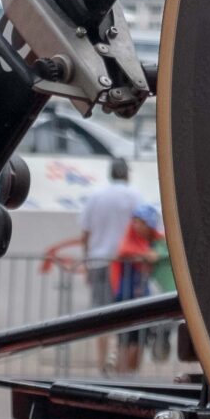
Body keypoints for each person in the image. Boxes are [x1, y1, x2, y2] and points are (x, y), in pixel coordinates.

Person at [80, 159, 144, 372]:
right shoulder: (135, 196)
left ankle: (102, 363)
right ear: (126, 174)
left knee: (101, 316)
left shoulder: (96, 197)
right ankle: (122, 366)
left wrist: (87, 262)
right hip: (126, 264)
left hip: (99, 261)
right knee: (126, 315)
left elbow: (85, 234)